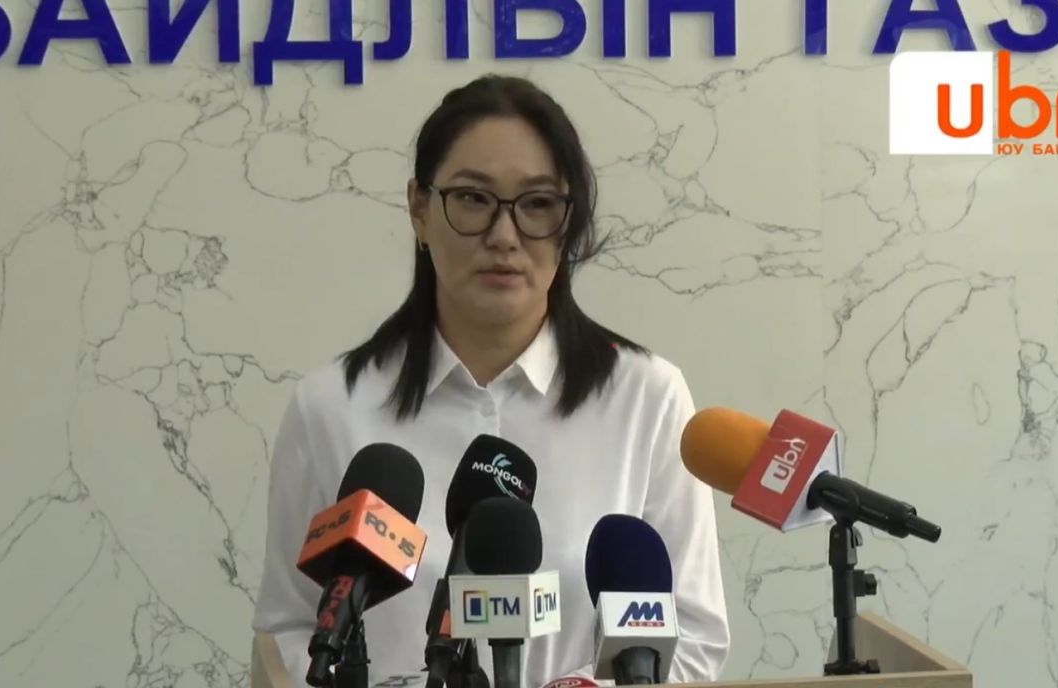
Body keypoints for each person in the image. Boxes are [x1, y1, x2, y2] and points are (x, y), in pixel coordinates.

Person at [251, 74, 730, 687]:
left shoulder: (647, 399)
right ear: (419, 210)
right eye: (473, 199)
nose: (504, 235)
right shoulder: (331, 406)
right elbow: (288, 630)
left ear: (569, 223)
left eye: (537, 204)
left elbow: (692, 639)